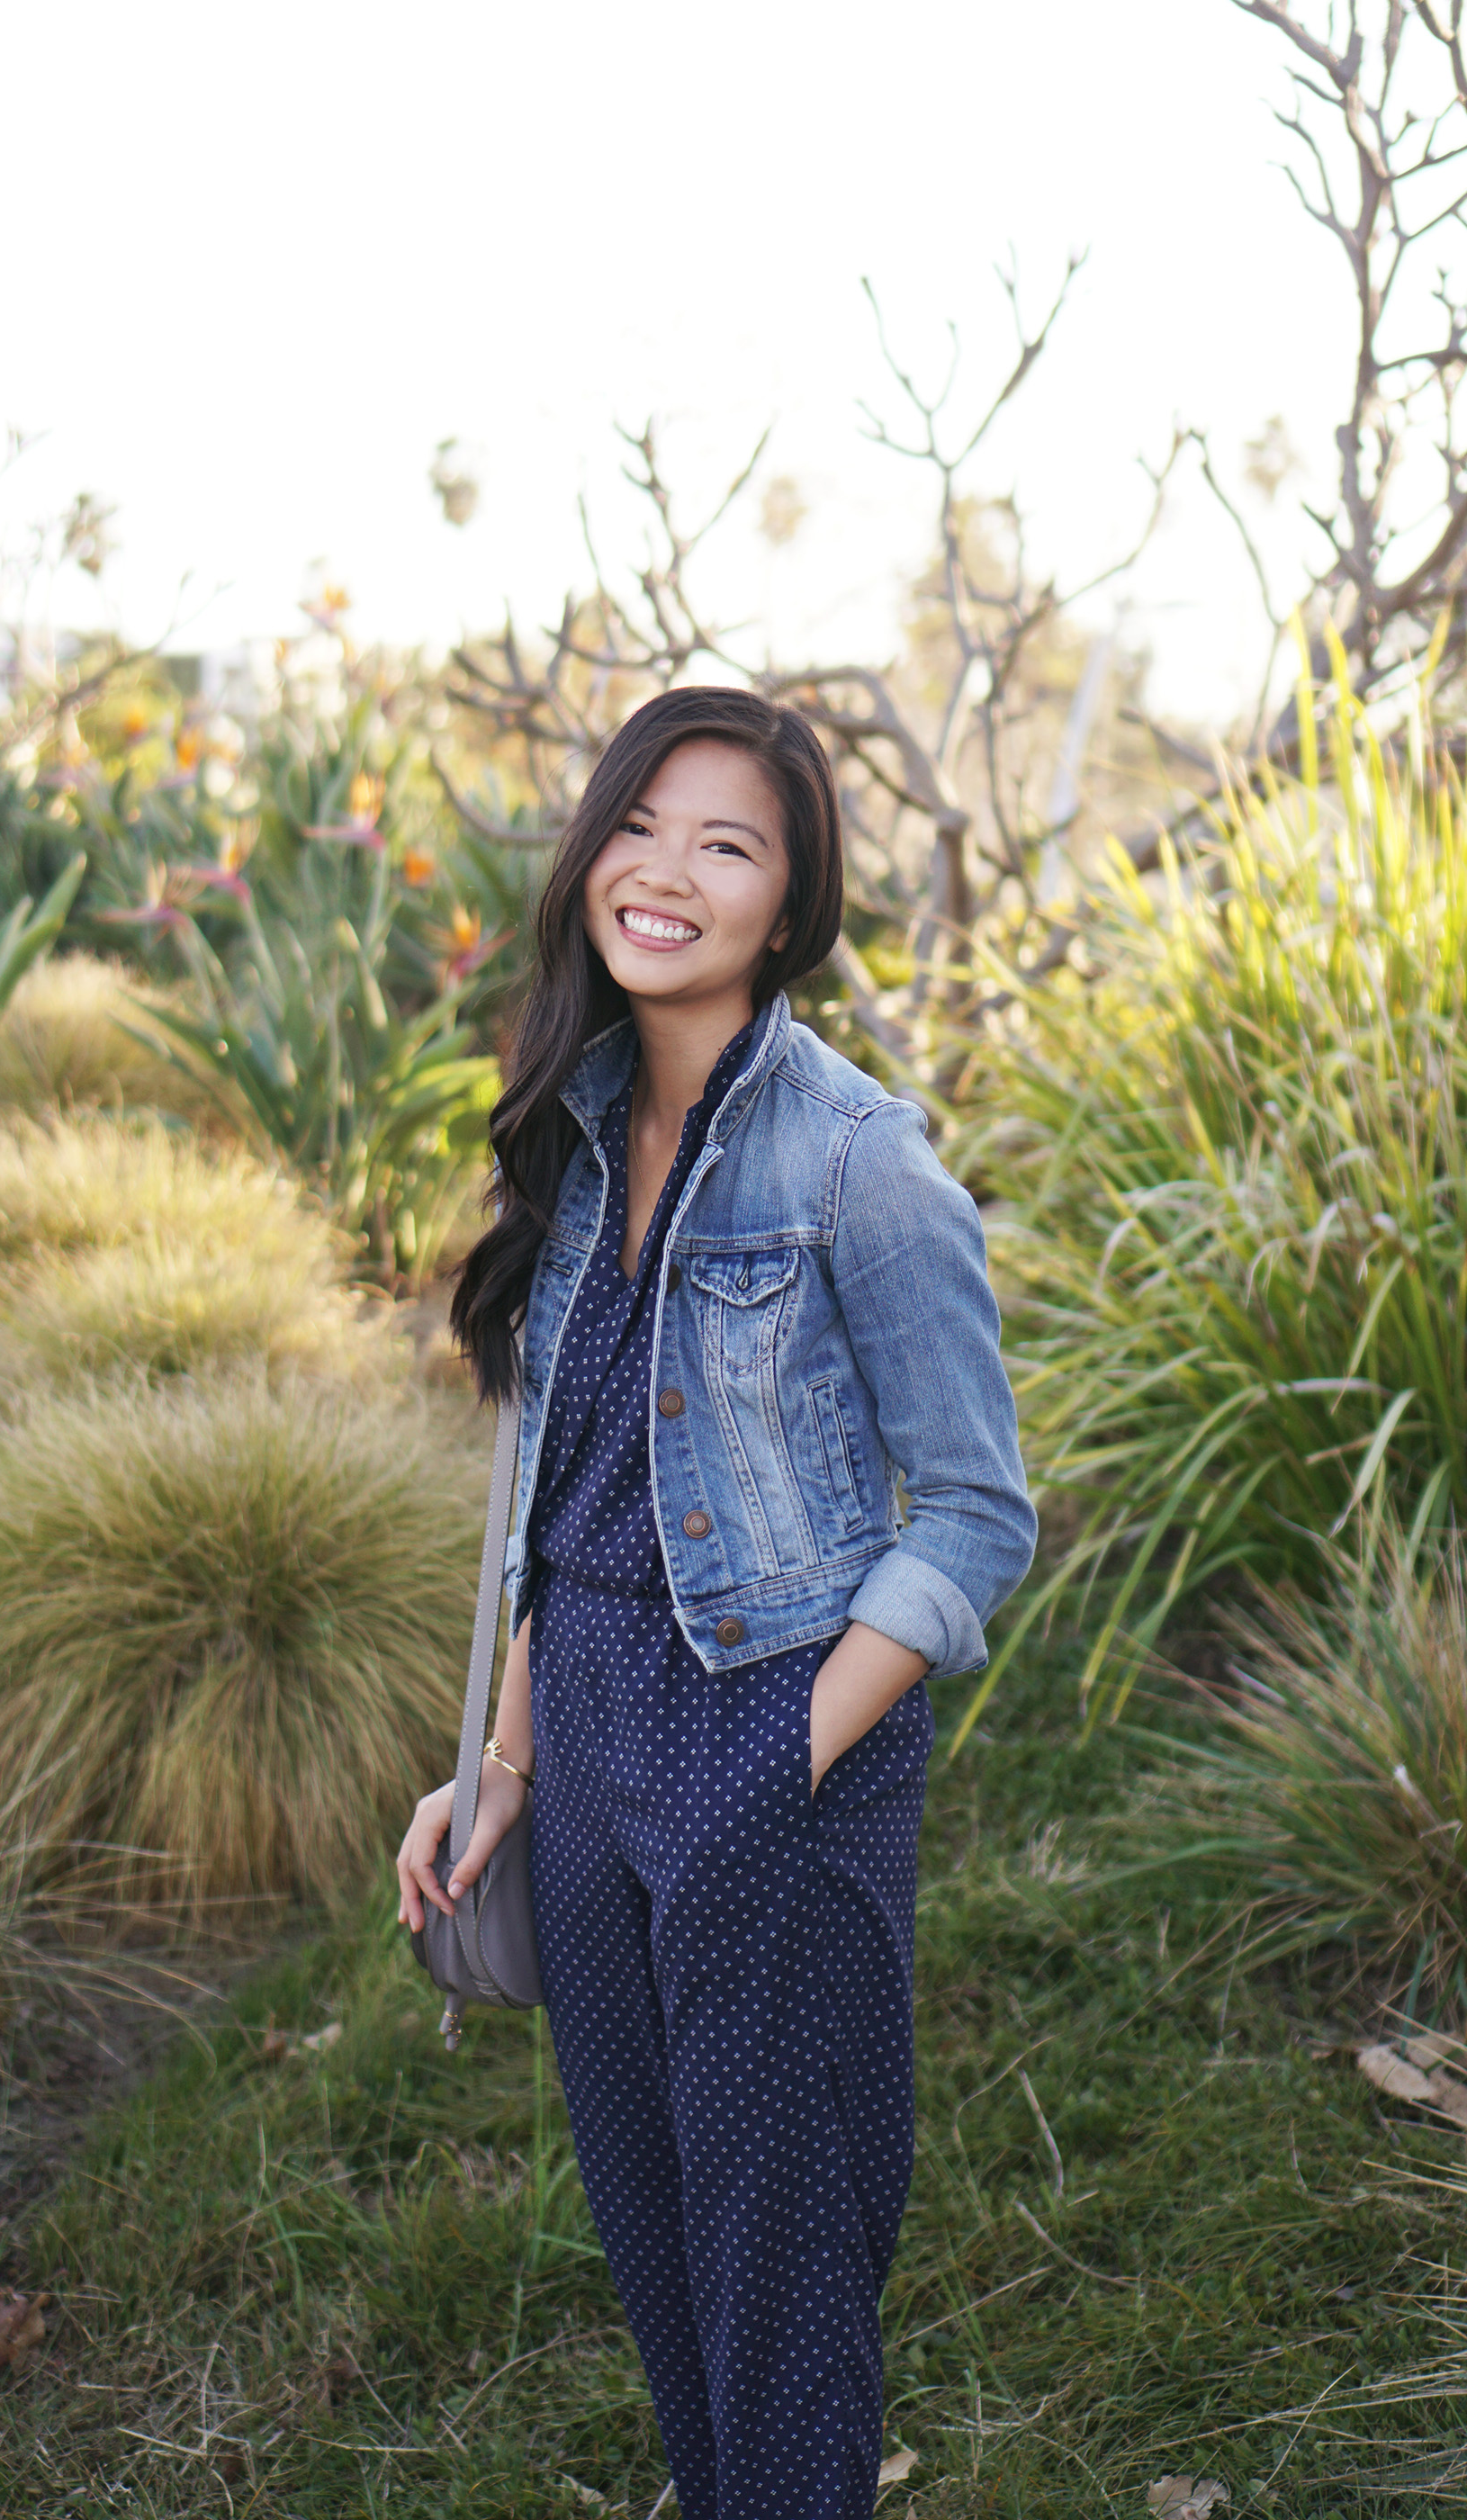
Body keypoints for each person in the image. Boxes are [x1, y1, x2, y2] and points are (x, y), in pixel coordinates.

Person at [396, 687, 1036, 2519]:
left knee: (782, 2249)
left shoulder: (857, 1156)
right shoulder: (572, 1133)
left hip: (772, 1724)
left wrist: (782, 1755)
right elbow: (563, 1496)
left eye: (728, 843)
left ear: (786, 904)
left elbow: (980, 1509)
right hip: (588, 1727)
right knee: (658, 2226)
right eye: (642, 822)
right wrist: (504, 1761)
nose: (667, 871)